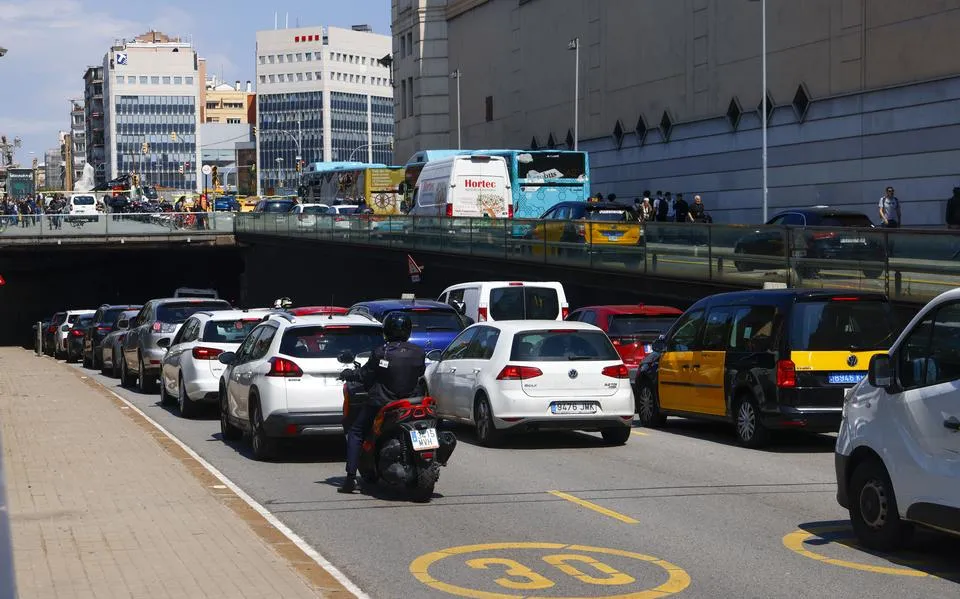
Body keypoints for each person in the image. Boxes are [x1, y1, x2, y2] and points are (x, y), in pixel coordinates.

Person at [339, 312, 426, 494]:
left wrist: (349, 374)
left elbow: (365, 375)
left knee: (355, 431)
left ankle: (350, 478)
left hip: (383, 403)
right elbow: (419, 372)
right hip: (411, 403)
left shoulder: (381, 353)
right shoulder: (419, 352)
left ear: (386, 330)